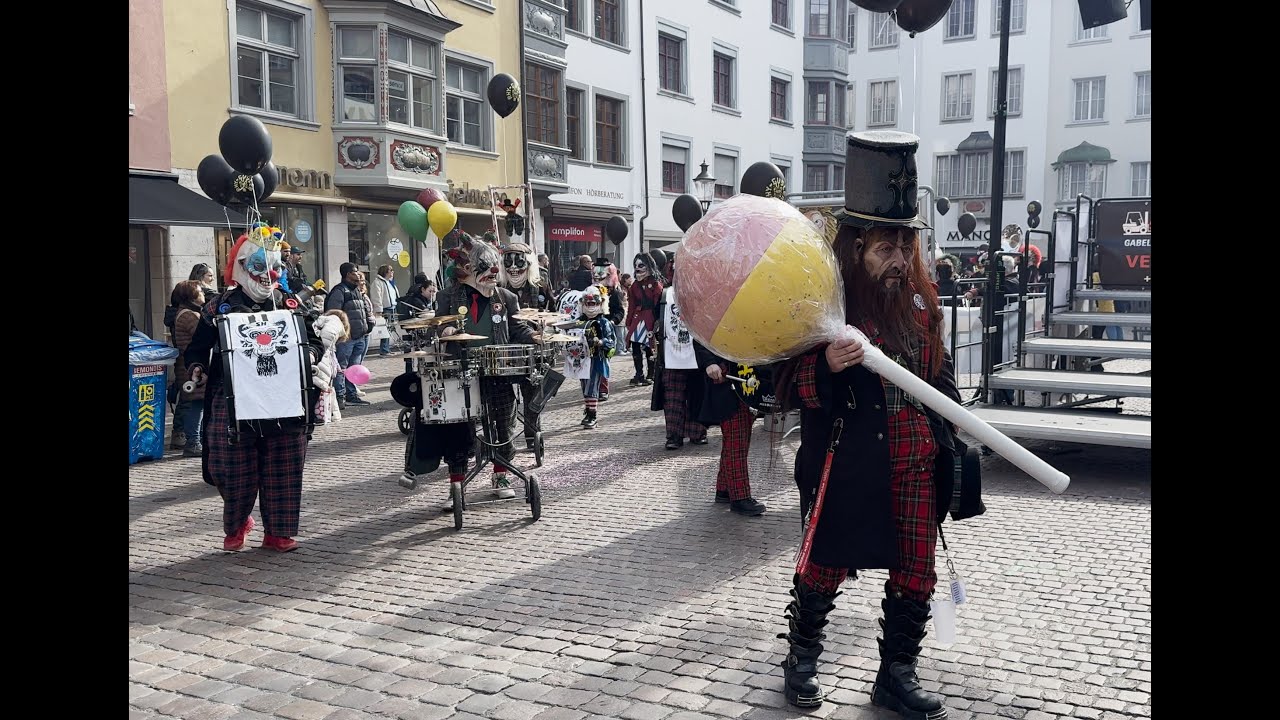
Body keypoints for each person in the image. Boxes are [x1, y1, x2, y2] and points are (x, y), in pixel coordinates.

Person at [772, 131, 965, 717]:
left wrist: (953, 436)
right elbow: (782, 387)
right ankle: (802, 660)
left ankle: (895, 675)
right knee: (824, 562)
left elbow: (941, 378)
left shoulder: (919, 305)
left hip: (916, 464)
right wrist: (825, 366)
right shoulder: (824, 304)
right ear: (857, 248)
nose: (900, 262)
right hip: (849, 460)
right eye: (886, 248)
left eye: (905, 248)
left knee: (916, 570)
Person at [184, 230, 342, 553]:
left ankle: (279, 531)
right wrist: (197, 368)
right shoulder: (218, 307)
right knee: (228, 468)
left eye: (276, 266)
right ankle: (238, 522)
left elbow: (312, 338)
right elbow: (197, 348)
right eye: (260, 264)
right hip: (233, 402)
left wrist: (310, 354)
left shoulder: (290, 303)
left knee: (283, 465)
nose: (269, 273)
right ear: (241, 265)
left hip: (284, 400)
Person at [407, 240, 538, 509]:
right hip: (460, 370)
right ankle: (456, 482)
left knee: (503, 421)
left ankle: (501, 476)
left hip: (497, 370)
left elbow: (518, 330)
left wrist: (535, 335)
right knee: (458, 428)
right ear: (469, 270)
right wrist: (442, 333)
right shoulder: (448, 297)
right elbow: (434, 328)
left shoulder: (507, 297)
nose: (492, 278)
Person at [651, 254, 707, 450]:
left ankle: (696, 432)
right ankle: (674, 435)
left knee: (695, 395)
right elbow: (656, 317)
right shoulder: (666, 294)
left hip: (695, 354)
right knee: (673, 398)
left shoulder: (699, 293)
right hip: (672, 354)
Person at [501, 242, 552, 448]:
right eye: (509, 262)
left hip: (532, 348)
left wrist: (545, 326)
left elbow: (552, 310)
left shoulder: (540, 286)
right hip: (506, 348)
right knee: (505, 396)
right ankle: (507, 436)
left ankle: (532, 436)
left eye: (518, 261)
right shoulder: (499, 289)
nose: (513, 267)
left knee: (532, 393)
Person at [323, 263, 373, 406]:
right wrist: (343, 333)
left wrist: (367, 327)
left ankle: (351, 394)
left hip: (360, 336)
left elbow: (362, 310)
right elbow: (333, 314)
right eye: (354, 272)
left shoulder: (357, 290)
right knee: (342, 368)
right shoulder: (339, 291)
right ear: (347, 274)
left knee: (354, 367)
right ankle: (340, 397)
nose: (358, 274)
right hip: (346, 338)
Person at [170, 280, 207, 458]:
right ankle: (193, 442)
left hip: (188, 366)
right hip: (191, 368)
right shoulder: (189, 316)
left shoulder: (187, 313)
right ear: (191, 295)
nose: (203, 294)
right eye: (200, 291)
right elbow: (202, 336)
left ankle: (195, 440)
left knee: (197, 404)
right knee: (196, 404)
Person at [573, 285, 616, 428]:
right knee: (584, 386)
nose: (591, 306)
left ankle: (593, 415)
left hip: (596, 359)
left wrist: (601, 342)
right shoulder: (579, 322)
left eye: (594, 303)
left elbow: (611, 341)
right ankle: (588, 411)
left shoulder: (604, 322)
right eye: (588, 303)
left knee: (592, 388)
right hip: (582, 359)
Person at [626, 252, 663, 386]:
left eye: (641, 265)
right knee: (635, 346)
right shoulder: (634, 286)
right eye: (636, 265)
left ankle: (651, 374)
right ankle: (639, 373)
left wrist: (658, 321)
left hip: (650, 319)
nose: (638, 268)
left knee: (650, 347)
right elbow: (631, 305)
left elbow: (659, 304)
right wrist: (629, 322)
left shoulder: (655, 284)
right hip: (638, 318)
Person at [371, 264, 400, 356]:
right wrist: (379, 309)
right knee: (385, 329)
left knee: (390, 329)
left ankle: (387, 348)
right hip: (385, 309)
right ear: (385, 272)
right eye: (390, 270)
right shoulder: (378, 282)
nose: (392, 272)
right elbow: (377, 297)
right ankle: (384, 350)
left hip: (392, 308)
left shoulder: (390, 282)